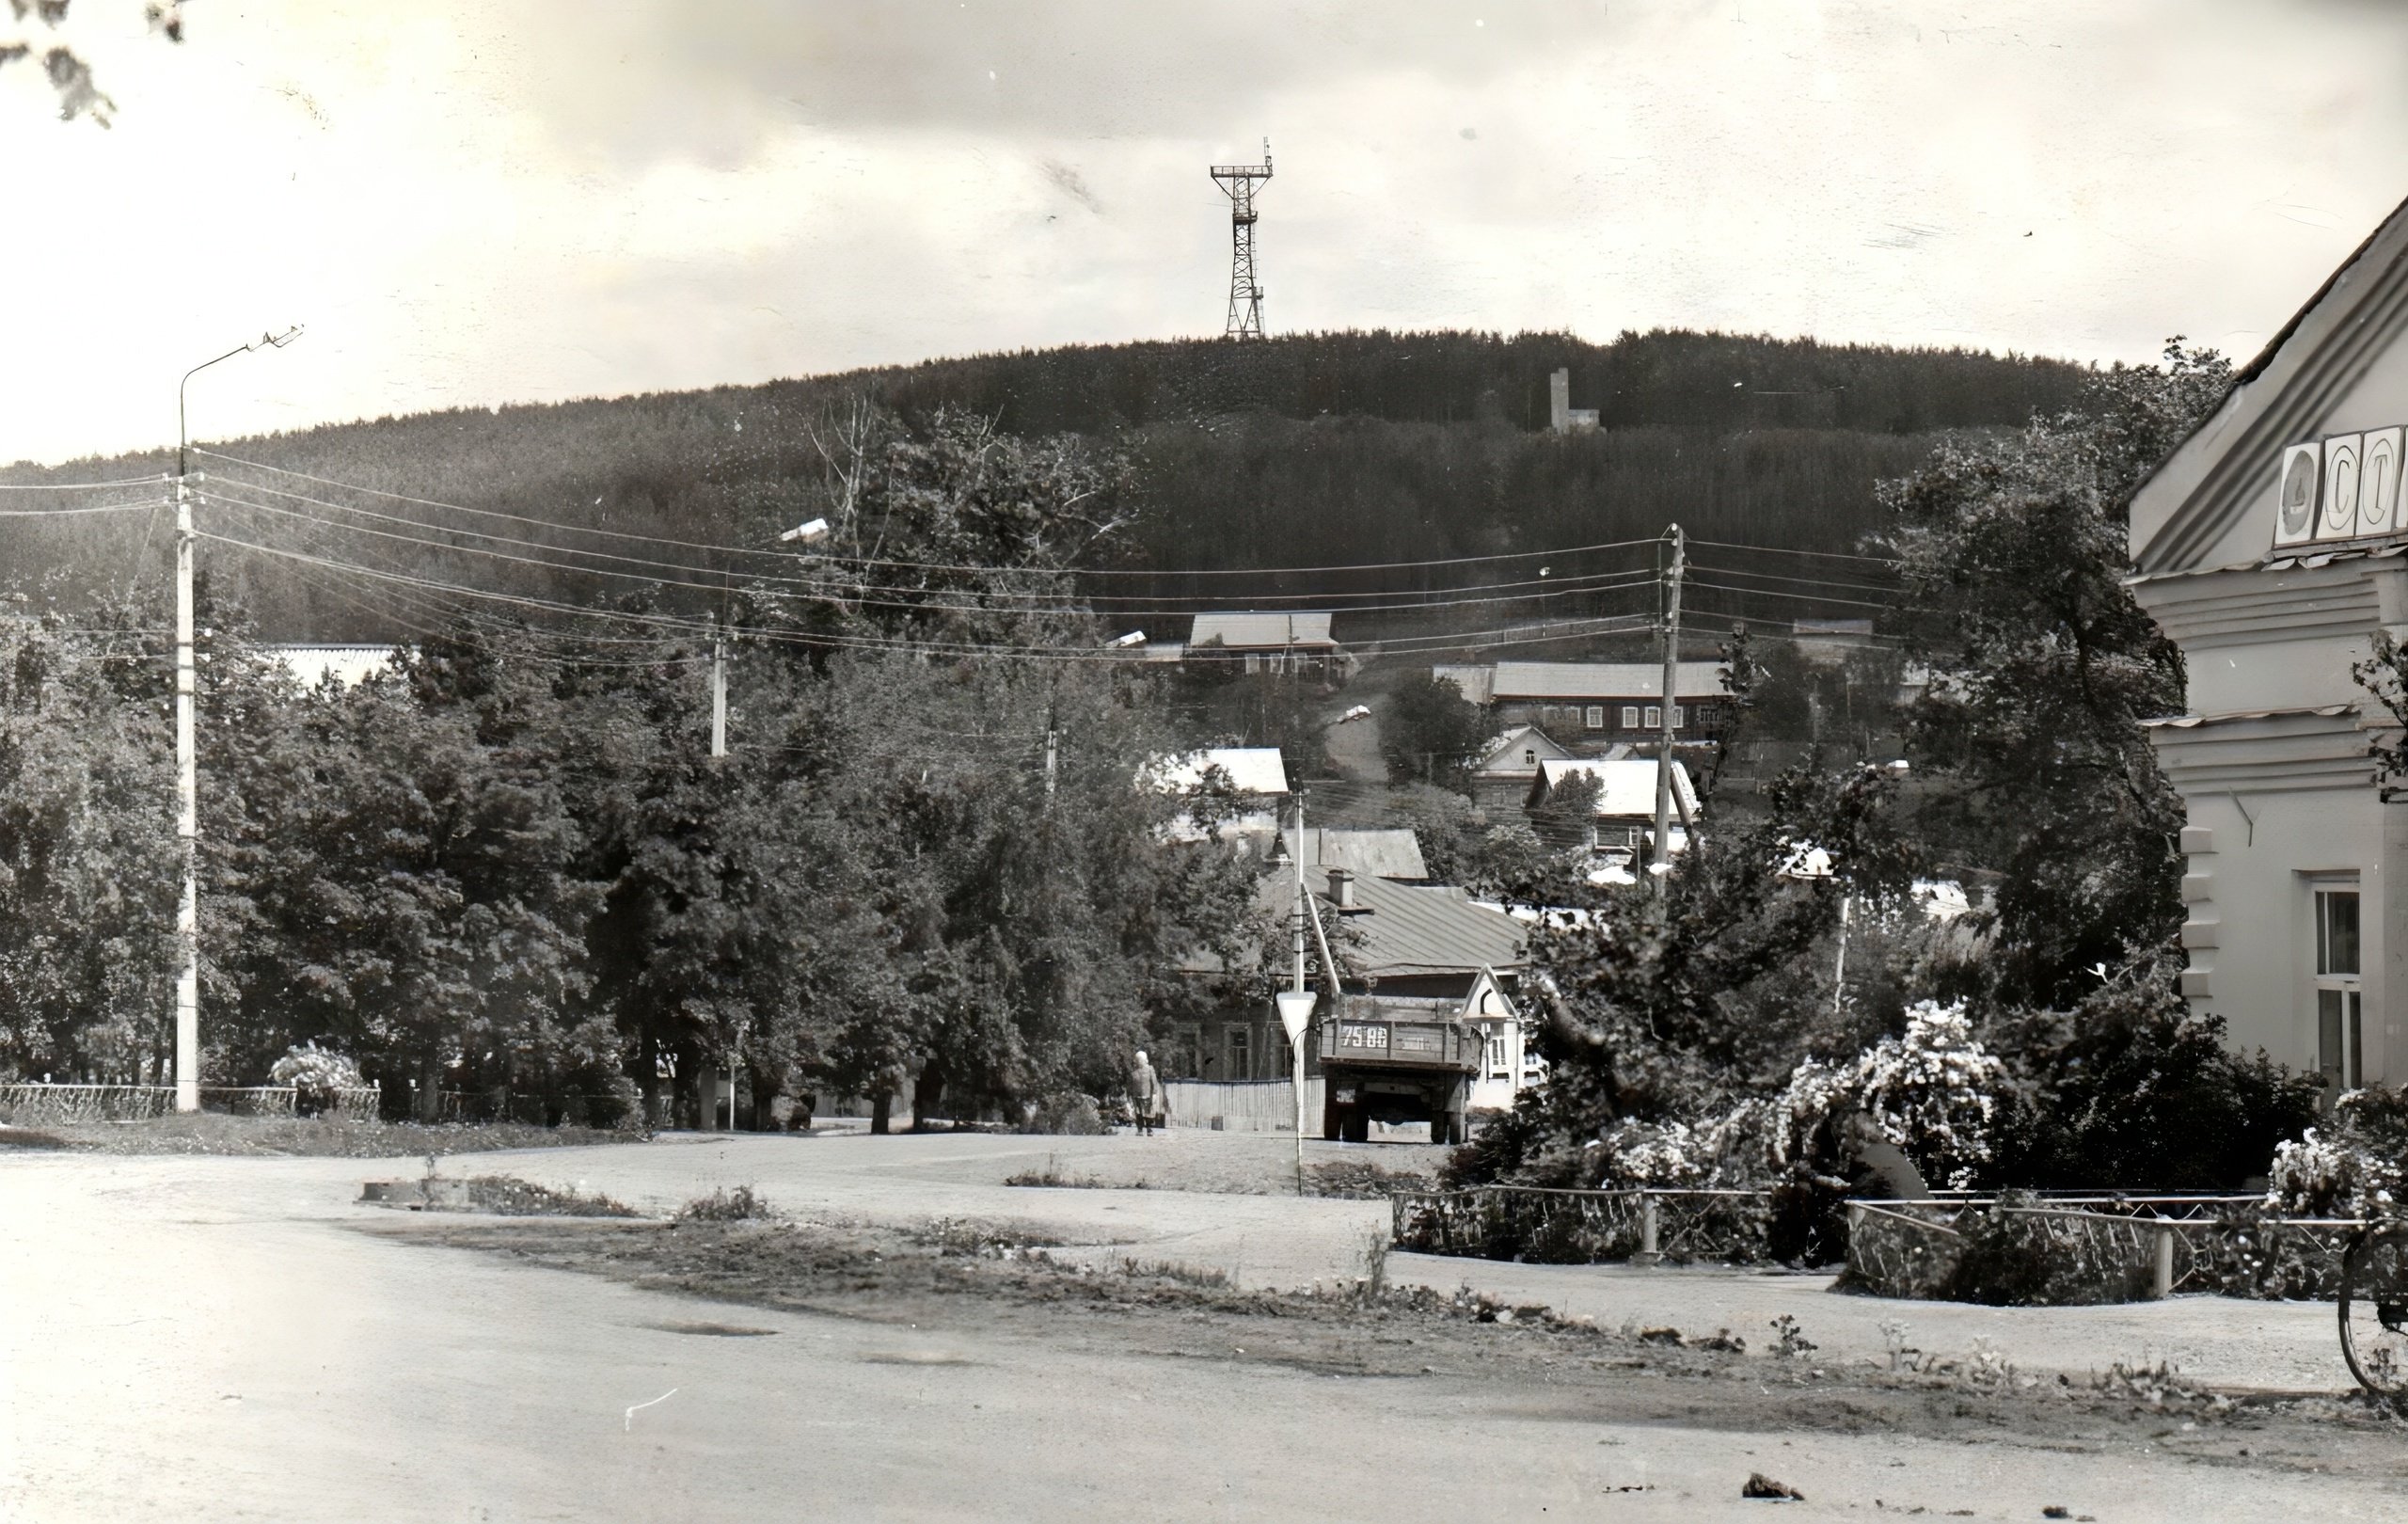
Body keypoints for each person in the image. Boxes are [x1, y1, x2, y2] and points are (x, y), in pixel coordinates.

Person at [1129, 1050, 1166, 1136]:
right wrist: (1130, 1097)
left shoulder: (1150, 1069)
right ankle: (1140, 1130)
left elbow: (1154, 1082)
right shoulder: (1134, 1071)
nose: (1139, 1061)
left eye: (1141, 1059)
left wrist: (1154, 1094)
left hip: (1147, 1095)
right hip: (1136, 1096)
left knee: (1148, 1113)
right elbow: (1130, 1084)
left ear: (1146, 1060)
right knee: (1138, 1113)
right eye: (1137, 1060)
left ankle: (1149, 1129)